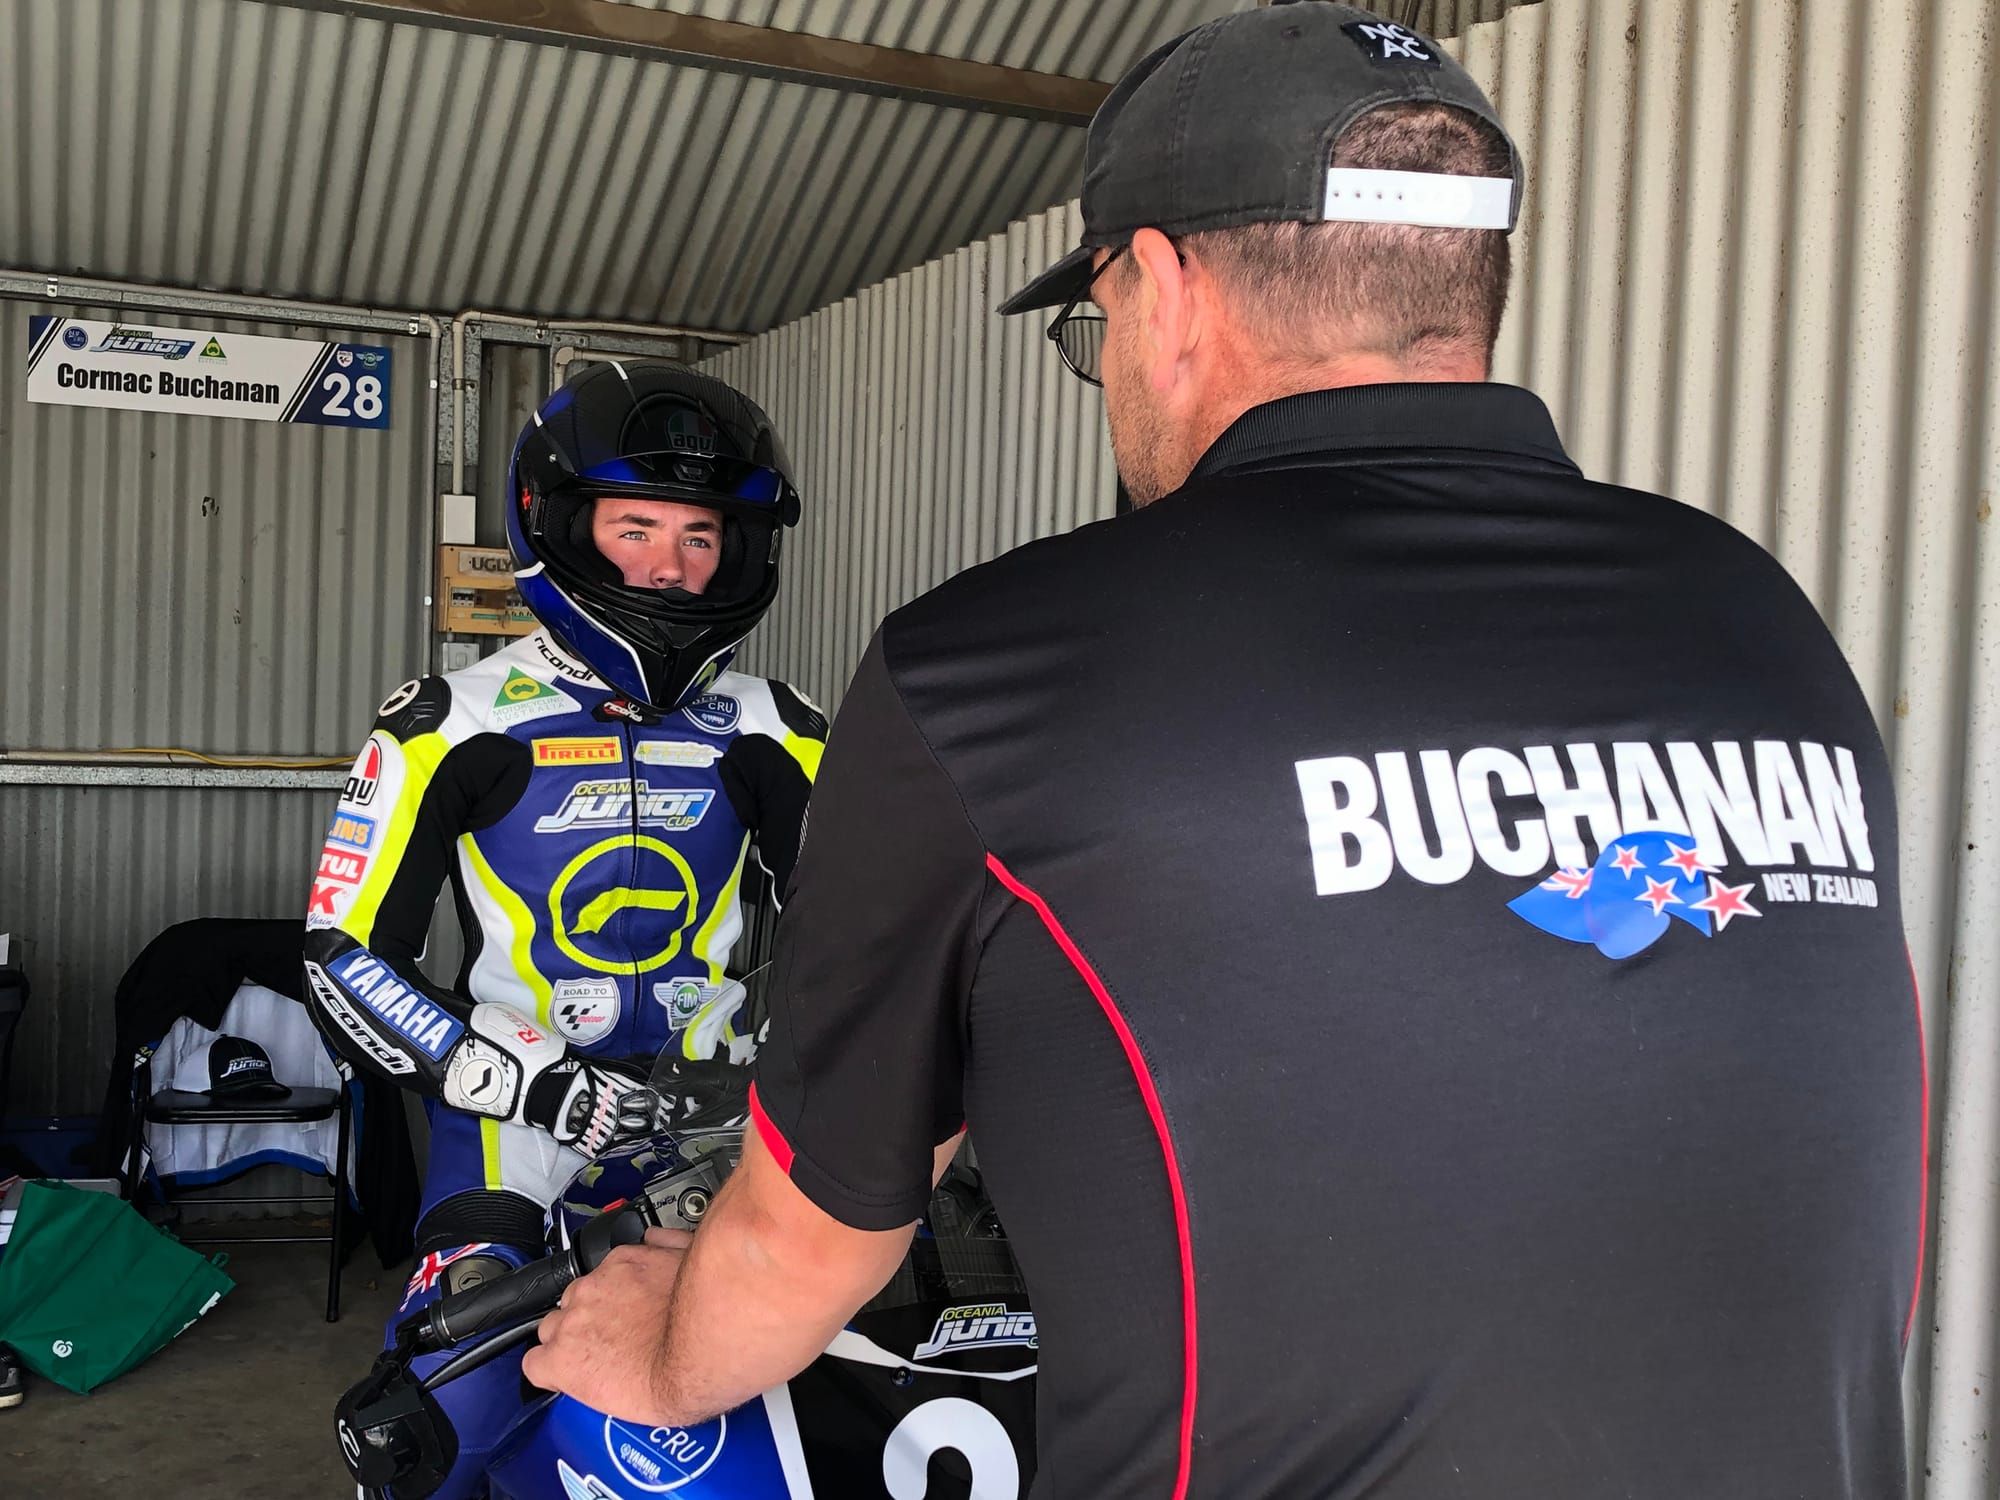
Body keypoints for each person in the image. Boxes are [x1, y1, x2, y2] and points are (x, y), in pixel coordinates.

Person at [526, 7, 1924, 1498]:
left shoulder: (998, 667)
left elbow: (811, 1237)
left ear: (1168, 285)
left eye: (1100, 316)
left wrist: (654, 1350)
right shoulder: (1757, 615)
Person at [303, 360, 824, 1498]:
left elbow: (877, 937)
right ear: (557, 523)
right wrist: (525, 1083)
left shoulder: (779, 728)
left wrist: (795, 1062)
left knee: (810, 1413)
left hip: (721, 1128)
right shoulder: (447, 723)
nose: (671, 567)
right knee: (440, 1421)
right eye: (637, 528)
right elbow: (341, 959)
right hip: (513, 1128)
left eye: (700, 536)